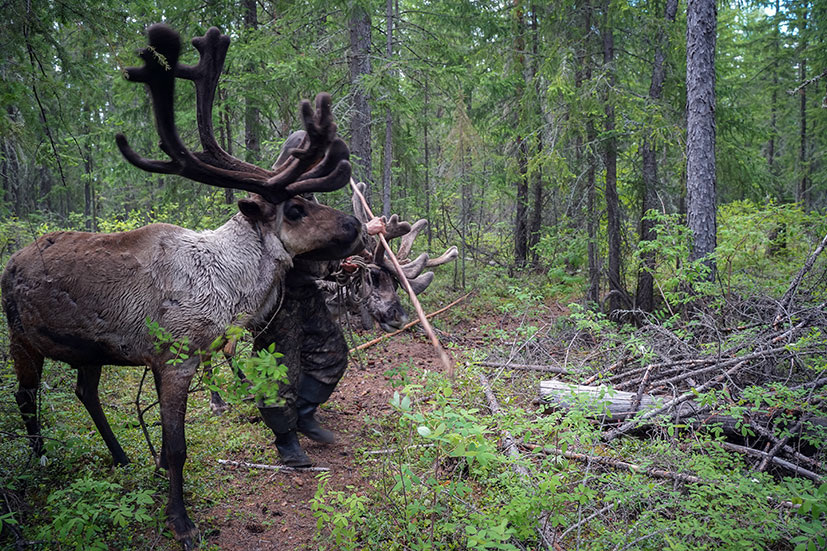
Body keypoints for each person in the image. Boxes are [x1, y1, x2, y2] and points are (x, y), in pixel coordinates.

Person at [250, 192, 387, 467]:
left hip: (305, 292)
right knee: (275, 370)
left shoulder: (309, 198)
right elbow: (298, 242)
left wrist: (341, 265)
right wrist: (363, 230)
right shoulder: (276, 199)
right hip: (274, 295)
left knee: (332, 352)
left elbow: (318, 252)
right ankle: (286, 441)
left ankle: (302, 412)